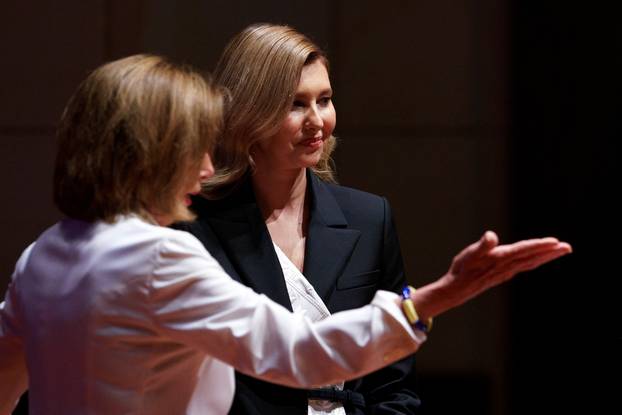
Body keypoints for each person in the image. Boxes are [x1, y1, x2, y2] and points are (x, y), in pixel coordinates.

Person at [0, 54, 570, 415]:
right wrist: (446, 291)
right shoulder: (160, 255)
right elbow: (305, 353)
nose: (204, 168)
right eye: (192, 147)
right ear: (148, 154)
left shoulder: (41, 255)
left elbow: (5, 386)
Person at [173, 24, 570, 415]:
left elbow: (394, 385)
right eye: (295, 104)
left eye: (324, 100)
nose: (317, 121)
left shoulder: (369, 217)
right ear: (249, 112)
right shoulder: (195, 226)